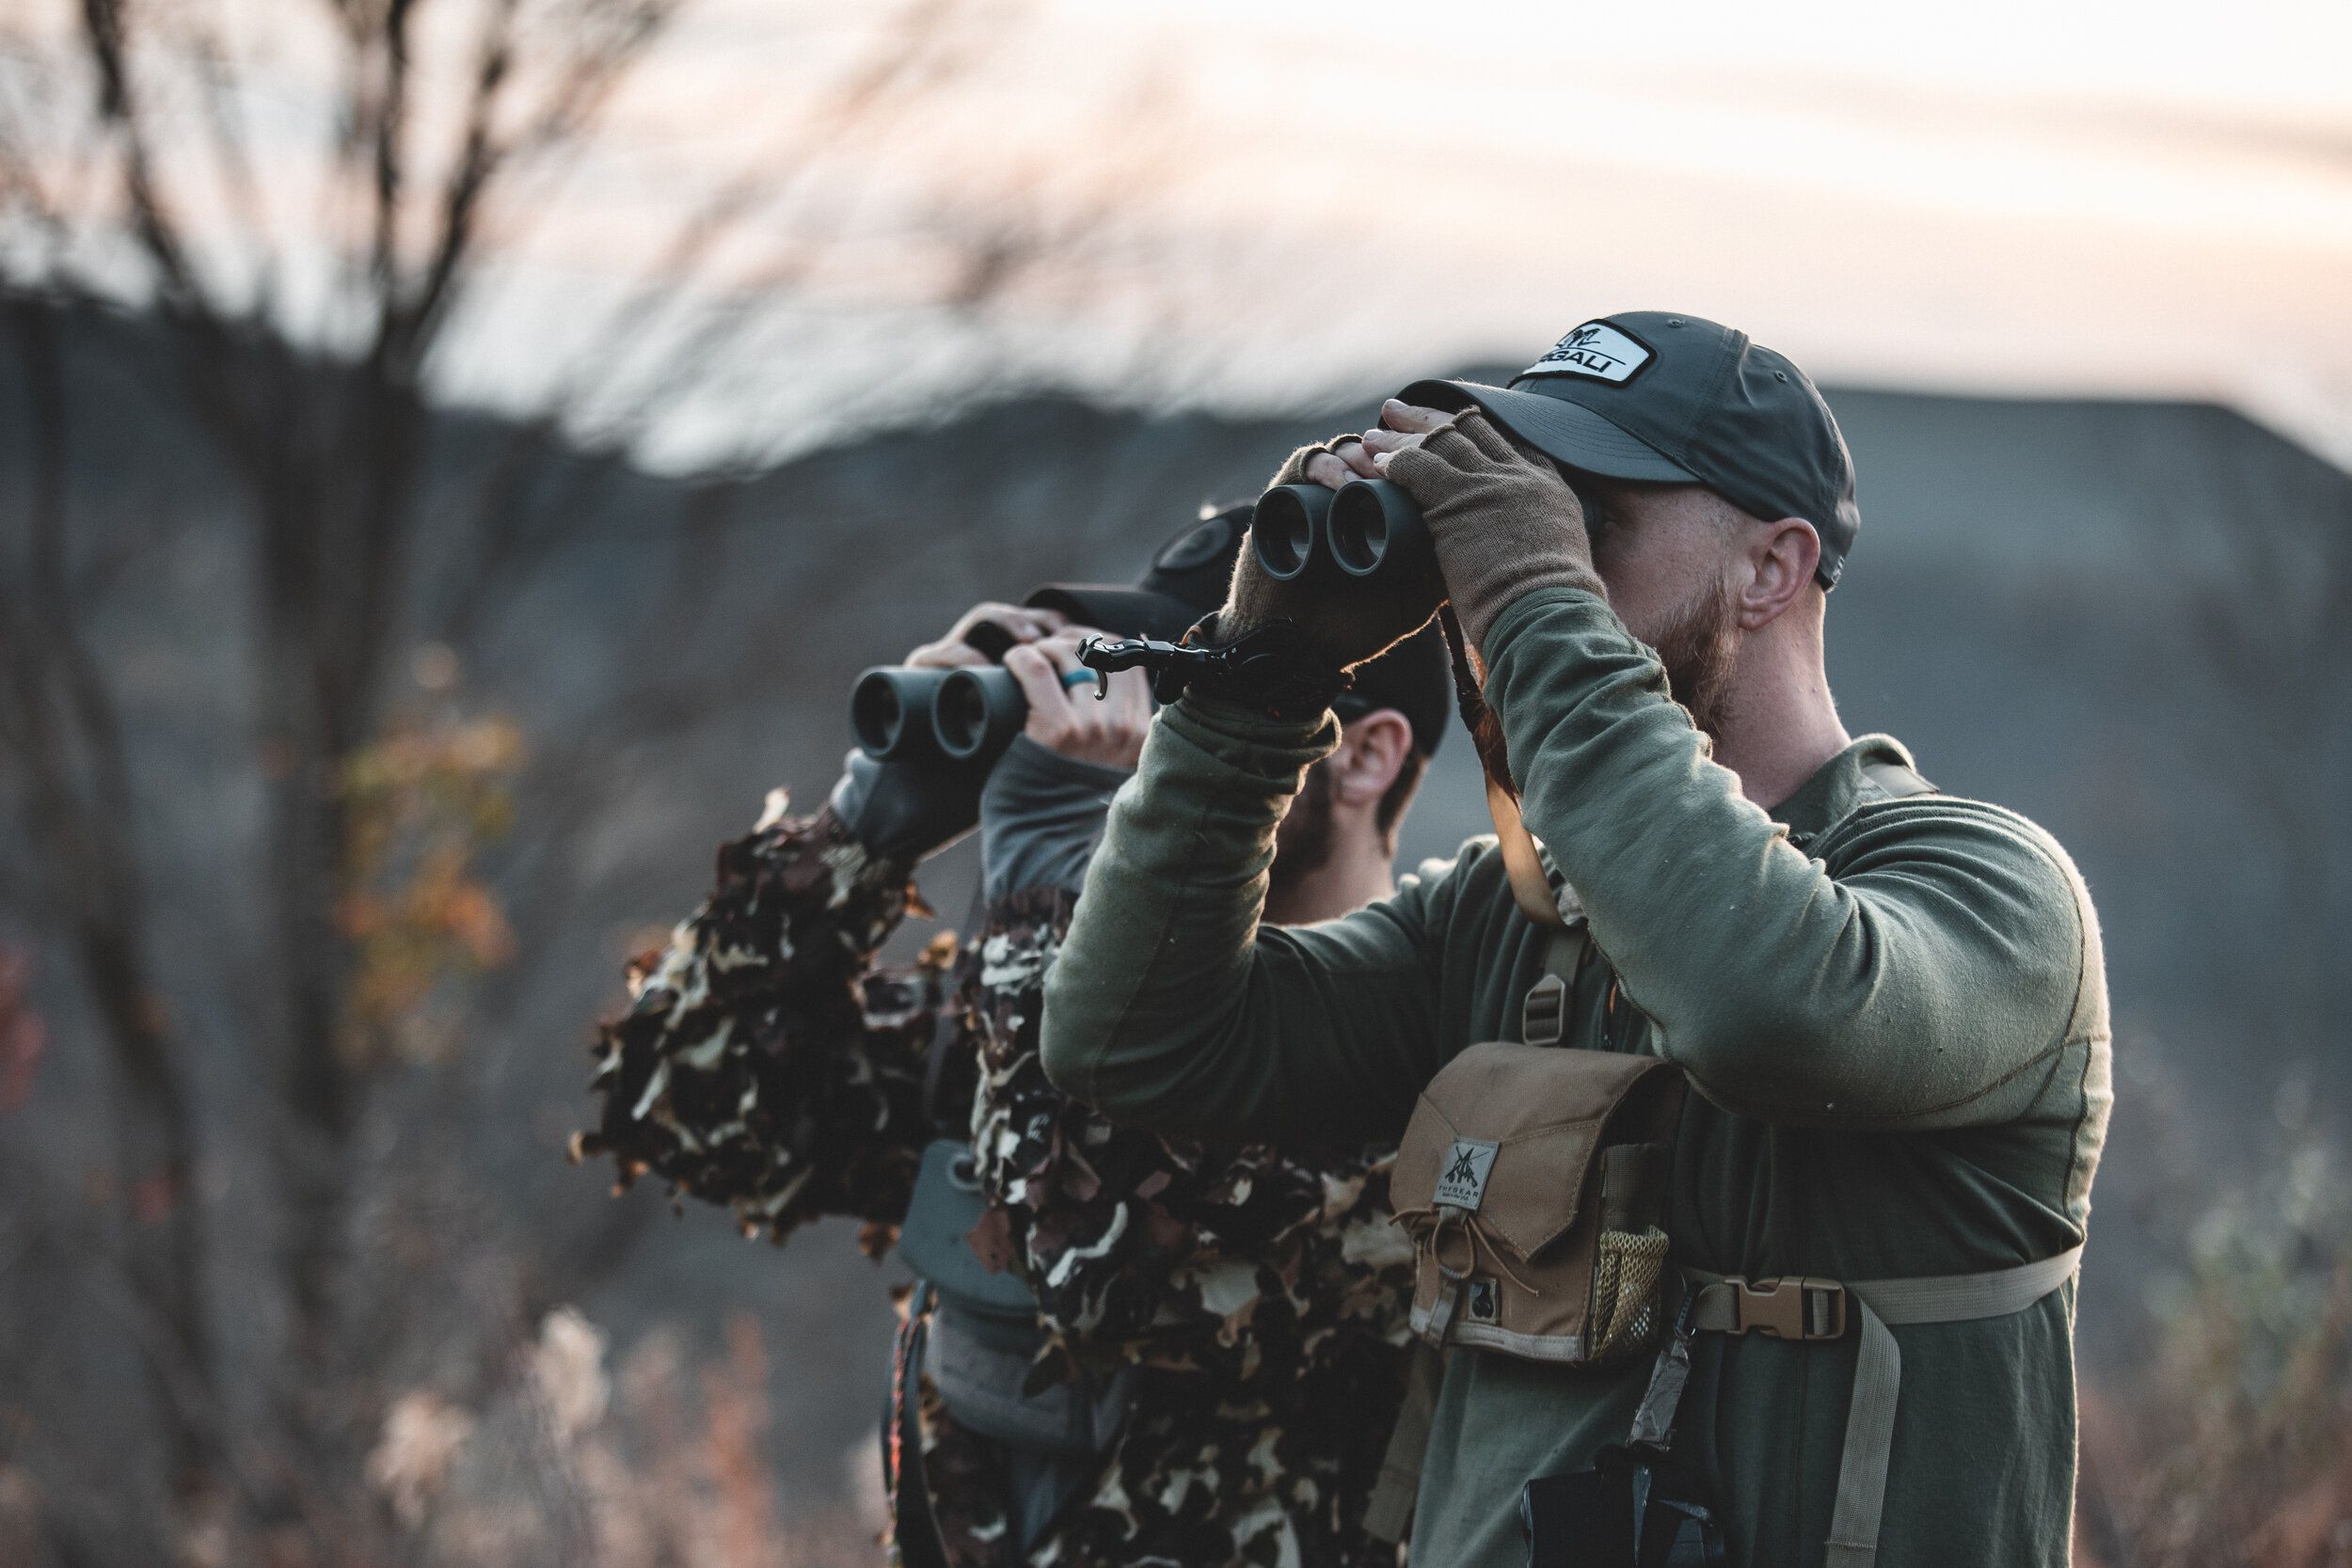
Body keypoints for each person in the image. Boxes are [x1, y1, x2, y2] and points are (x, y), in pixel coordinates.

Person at [1041, 312, 2113, 1568]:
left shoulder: (1988, 892)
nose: (1516, 558)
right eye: (1506, 513)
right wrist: (1255, 691)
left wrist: (1536, 595)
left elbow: (1767, 1002)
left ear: (1774, 566)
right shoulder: (1505, 920)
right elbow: (1135, 1039)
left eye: (1582, 518)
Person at [579, 503, 1455, 1567]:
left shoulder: (1422, 1057)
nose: (1153, 745)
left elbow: (1098, 1267)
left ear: (1364, 756)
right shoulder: (1003, 999)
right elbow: (687, 1109)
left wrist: (1050, 865)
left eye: (1191, 696)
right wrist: (866, 828)